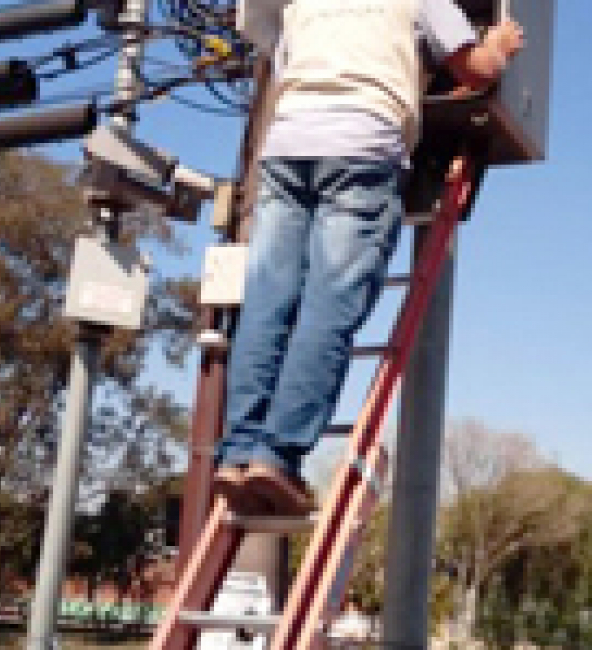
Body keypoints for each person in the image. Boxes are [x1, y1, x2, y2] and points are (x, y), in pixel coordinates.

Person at [213, 0, 525, 515]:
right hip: (361, 144)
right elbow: (477, 71)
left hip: (288, 146)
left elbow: (289, 66)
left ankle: (238, 450)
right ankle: (277, 454)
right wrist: (499, 44)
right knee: (328, 307)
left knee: (267, 300)